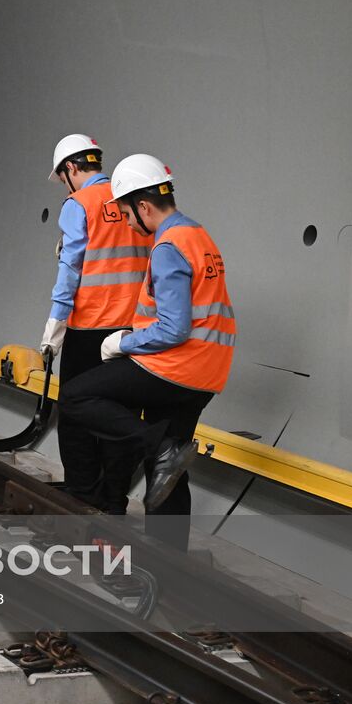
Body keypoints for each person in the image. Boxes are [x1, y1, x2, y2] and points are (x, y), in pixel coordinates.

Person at [58, 155, 236, 547]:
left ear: (142, 206)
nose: (126, 223)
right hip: (207, 372)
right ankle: (169, 563)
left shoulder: (168, 247)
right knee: (166, 474)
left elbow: (173, 327)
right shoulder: (198, 235)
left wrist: (121, 342)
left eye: (126, 213)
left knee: (75, 395)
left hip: (176, 366)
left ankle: (160, 446)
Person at [40, 134, 151, 513]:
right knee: (120, 415)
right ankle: (113, 500)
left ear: (71, 168)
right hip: (133, 331)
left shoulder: (78, 203)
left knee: (75, 414)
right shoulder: (134, 199)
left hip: (89, 330)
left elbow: (71, 267)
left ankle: (82, 495)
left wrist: (55, 325)